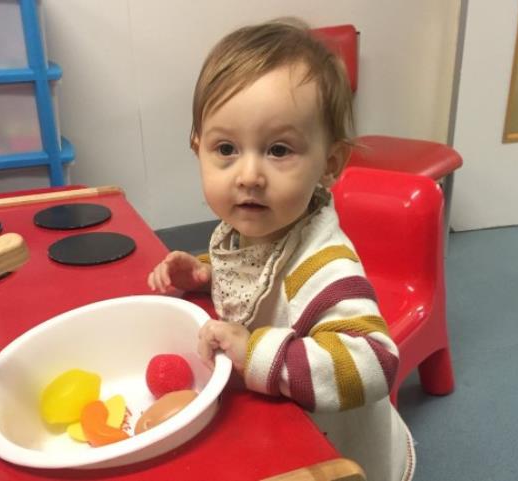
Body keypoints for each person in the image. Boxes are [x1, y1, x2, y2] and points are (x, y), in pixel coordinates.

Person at [148, 18, 415, 481]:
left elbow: (376, 361)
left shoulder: (325, 265)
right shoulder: (253, 225)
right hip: (278, 425)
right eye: (226, 148)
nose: (248, 175)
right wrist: (206, 271)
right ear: (198, 148)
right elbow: (258, 272)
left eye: (278, 150)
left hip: (338, 453)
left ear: (329, 164)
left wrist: (255, 352)